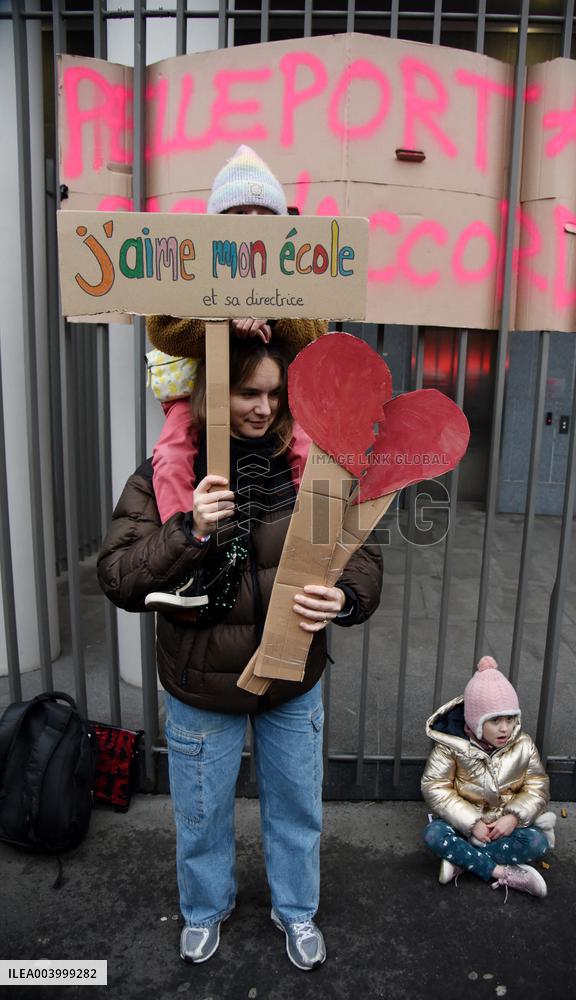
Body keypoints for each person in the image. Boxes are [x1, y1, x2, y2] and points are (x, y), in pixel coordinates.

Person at [97, 155, 383, 973]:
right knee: (200, 813)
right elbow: (117, 577)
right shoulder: (167, 466)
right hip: (199, 685)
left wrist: (348, 598)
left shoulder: (311, 465)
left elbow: (360, 552)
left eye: (273, 397)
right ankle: (204, 908)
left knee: (297, 807)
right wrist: (187, 529)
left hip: (293, 677)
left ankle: (297, 911)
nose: (259, 407)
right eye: (246, 394)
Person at [142, 144, 326, 612]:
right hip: (207, 394)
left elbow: (316, 334)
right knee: (171, 455)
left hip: (275, 392)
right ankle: (189, 550)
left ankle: (317, 541)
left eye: (261, 212)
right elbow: (161, 327)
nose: (249, 221)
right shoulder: (193, 265)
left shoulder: (299, 265)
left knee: (309, 449)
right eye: (237, 212)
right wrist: (220, 318)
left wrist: (274, 314)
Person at [421, 656, 556, 899]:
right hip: (462, 825)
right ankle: (501, 872)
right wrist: (472, 822)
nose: (505, 728)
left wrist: (513, 817)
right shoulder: (451, 746)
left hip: (502, 826)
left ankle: (463, 860)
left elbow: (538, 786)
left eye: (510, 718)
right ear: (475, 721)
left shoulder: (523, 745)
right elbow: (435, 787)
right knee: (434, 834)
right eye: (495, 720)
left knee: (537, 843)